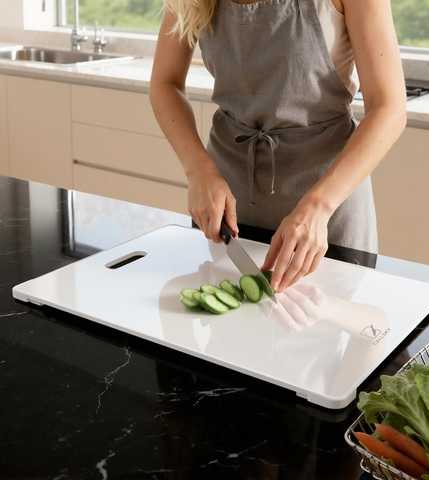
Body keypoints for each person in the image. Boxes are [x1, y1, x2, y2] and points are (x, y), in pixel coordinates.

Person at [149, 0, 406, 293]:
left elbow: (389, 108)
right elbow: (165, 83)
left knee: (324, 315)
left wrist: (318, 207)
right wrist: (199, 171)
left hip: (325, 205)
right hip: (227, 203)